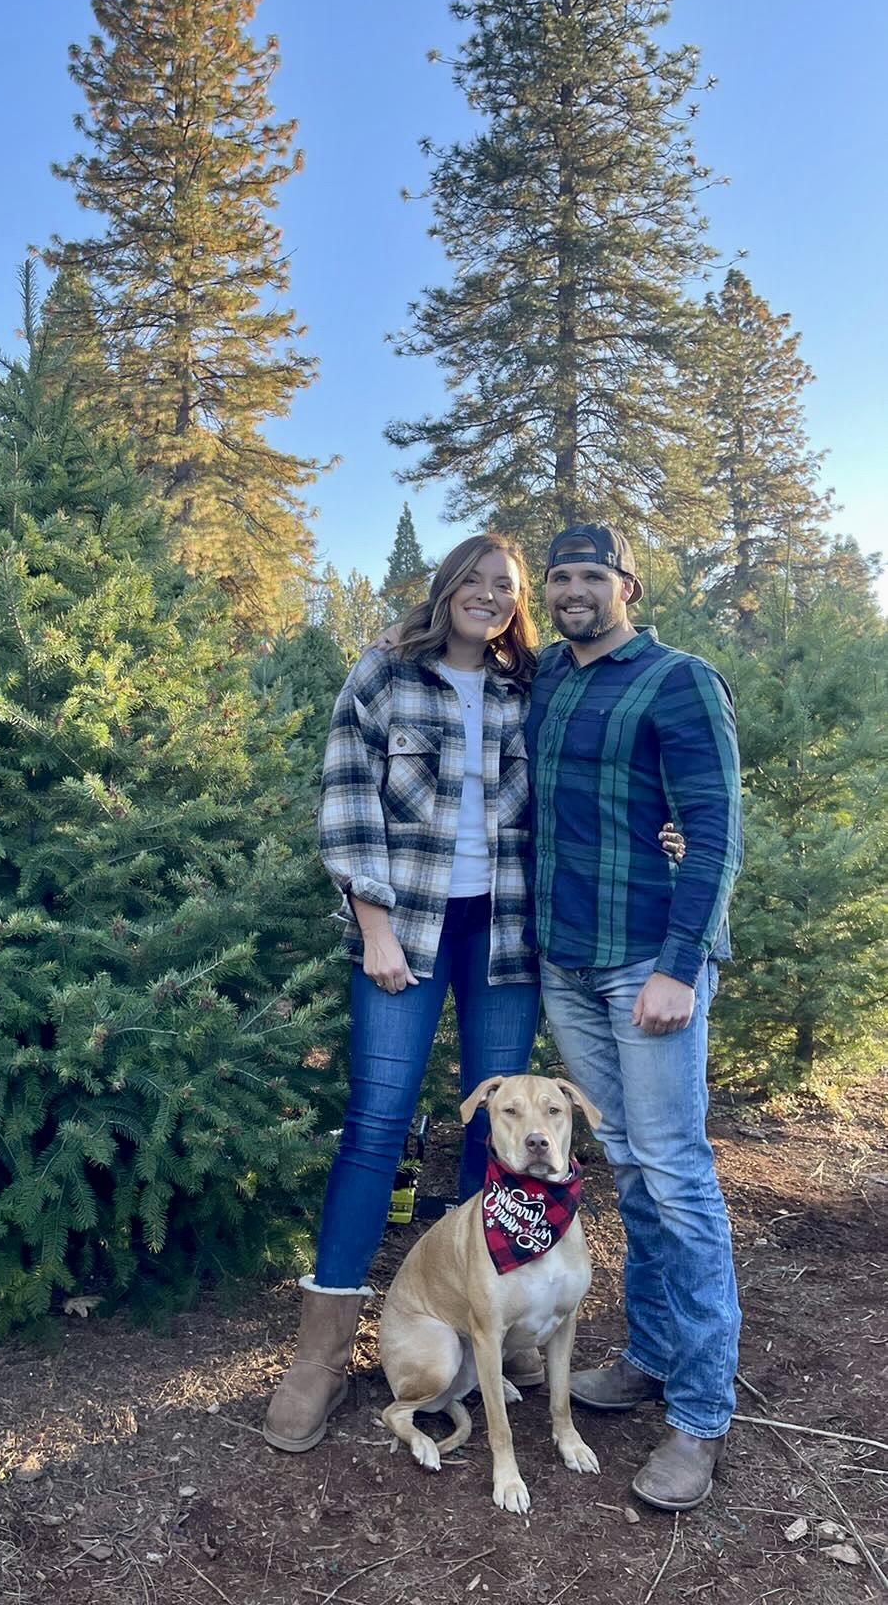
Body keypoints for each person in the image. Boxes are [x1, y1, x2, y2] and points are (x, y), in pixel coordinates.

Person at [263, 533, 681, 1456]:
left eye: (507, 587)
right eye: (475, 581)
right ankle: (323, 1353)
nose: (489, 597)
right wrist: (372, 926)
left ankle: (498, 1322)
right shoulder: (381, 677)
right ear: (446, 587)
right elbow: (345, 802)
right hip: (404, 931)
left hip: (504, 936)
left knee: (495, 1137)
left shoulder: (523, 689)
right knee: (377, 1122)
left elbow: (576, 798)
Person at [528, 524, 744, 1512]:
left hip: (644, 968)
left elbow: (712, 833)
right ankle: (651, 1353)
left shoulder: (677, 679)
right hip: (563, 963)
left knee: (676, 1171)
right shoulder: (544, 677)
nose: (575, 590)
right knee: (635, 1177)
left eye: (592, 576)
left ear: (628, 584)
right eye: (560, 576)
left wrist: (682, 964)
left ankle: (700, 1416)